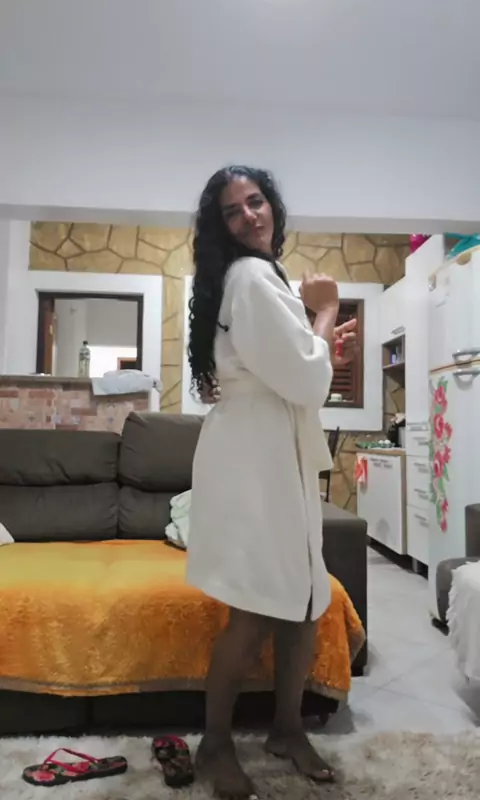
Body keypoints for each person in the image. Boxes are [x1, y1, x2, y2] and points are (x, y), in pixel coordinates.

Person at [186, 165, 356, 799]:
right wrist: (326, 311)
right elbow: (309, 380)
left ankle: (287, 729)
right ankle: (214, 744)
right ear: (221, 227)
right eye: (232, 211)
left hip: (271, 448)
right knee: (258, 606)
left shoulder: (258, 276)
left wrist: (317, 342)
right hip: (256, 459)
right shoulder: (253, 277)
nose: (249, 216)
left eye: (255, 201)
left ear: (272, 206)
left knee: (305, 597)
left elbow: (297, 370)